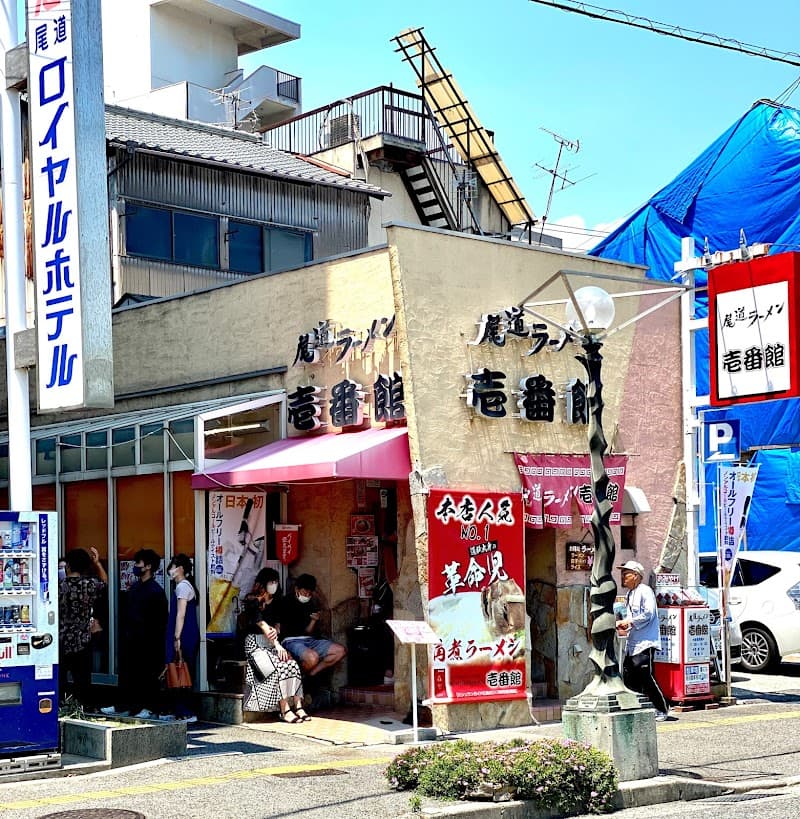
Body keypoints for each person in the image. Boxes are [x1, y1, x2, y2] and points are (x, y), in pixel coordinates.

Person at [102, 549, 168, 719]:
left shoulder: (156, 591)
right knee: (128, 674)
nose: (135, 566)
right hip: (130, 638)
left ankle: (147, 707)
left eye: (138, 563)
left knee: (146, 675)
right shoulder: (135, 587)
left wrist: (156, 644)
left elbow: (160, 622)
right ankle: (123, 705)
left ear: (148, 566)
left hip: (148, 641)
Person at [616, 560, 670, 721]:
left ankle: (661, 708)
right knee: (629, 675)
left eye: (626, 574)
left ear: (636, 575)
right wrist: (625, 625)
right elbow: (630, 617)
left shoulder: (645, 591)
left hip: (646, 642)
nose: (623, 577)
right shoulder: (629, 594)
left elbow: (649, 613)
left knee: (645, 676)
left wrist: (630, 622)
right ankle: (636, 709)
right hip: (633, 642)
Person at [240, 594, 309, 722]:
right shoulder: (253, 604)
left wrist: (277, 629)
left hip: (271, 644)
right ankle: (284, 710)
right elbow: (265, 628)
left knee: (292, 664)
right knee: (278, 667)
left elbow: (276, 628)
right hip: (256, 646)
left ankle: (298, 706)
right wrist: (278, 646)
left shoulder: (275, 605)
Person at [58, 547, 107, 707]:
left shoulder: (59, 586)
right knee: (83, 678)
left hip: (61, 638)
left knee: (60, 677)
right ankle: (84, 707)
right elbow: (104, 582)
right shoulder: (89, 585)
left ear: (68, 566)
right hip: (83, 639)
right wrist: (97, 563)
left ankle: (61, 705)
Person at [280, 574, 346, 677]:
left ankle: (310, 674)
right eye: (304, 592)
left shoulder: (311, 604)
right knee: (312, 658)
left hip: (309, 640)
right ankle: (298, 678)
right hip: (291, 641)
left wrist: (314, 621)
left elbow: (308, 631)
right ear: (296, 589)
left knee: (340, 651)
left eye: (309, 593)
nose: (307, 595)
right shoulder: (285, 602)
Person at [162, 554, 200, 722]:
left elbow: (181, 614)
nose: (170, 569)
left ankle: (186, 711)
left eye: (173, 566)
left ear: (181, 569)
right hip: (187, 634)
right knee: (181, 671)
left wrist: (177, 637)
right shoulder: (184, 586)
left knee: (181, 672)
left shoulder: (183, 587)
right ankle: (179, 710)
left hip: (184, 635)